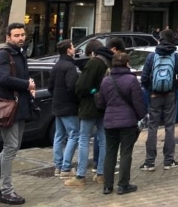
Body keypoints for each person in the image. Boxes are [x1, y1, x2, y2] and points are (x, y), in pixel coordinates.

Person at [0, 23, 36, 205]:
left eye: (22, 35)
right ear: (8, 37)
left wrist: (29, 84)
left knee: (10, 148)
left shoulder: (20, 53)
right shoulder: (3, 54)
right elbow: (2, 79)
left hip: (19, 106)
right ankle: (6, 190)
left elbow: (19, 77)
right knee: (11, 147)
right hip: (7, 106)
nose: (21, 38)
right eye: (17, 35)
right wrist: (26, 85)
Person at [66, 38, 124, 187]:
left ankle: (80, 176)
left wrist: (87, 91)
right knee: (103, 139)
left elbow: (81, 86)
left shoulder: (94, 62)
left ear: (92, 52)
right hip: (105, 105)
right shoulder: (111, 61)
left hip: (90, 106)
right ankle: (101, 174)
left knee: (84, 138)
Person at [96, 52, 145, 196]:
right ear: (127, 63)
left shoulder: (106, 80)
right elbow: (138, 103)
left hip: (110, 122)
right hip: (128, 122)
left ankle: (107, 186)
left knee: (110, 153)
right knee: (125, 153)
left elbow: (100, 103)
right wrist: (141, 117)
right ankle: (123, 185)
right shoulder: (132, 80)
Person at [139, 29, 178, 171]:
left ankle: (149, 162)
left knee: (152, 127)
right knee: (169, 127)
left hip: (154, 95)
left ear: (160, 39)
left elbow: (144, 78)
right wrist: (174, 87)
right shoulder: (177, 56)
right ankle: (169, 160)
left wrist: (151, 90)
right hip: (170, 95)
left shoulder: (152, 56)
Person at [47, 40, 80, 178]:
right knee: (74, 135)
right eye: (72, 47)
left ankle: (58, 166)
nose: (74, 49)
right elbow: (72, 87)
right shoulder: (70, 67)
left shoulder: (56, 66)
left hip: (57, 105)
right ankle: (66, 167)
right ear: (68, 50)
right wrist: (76, 101)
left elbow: (50, 87)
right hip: (69, 106)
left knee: (59, 136)